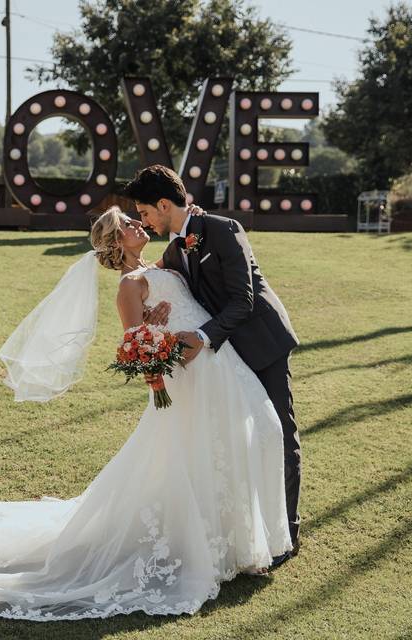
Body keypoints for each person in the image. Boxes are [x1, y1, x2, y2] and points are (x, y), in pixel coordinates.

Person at [0, 206, 292, 621]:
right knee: (190, 456)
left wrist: (165, 319)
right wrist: (157, 337)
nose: (137, 222)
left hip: (216, 370)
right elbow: (133, 345)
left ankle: (233, 544)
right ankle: (203, 549)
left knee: (240, 441)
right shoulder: (129, 285)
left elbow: (189, 296)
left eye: (137, 216)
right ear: (115, 242)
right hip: (185, 379)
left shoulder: (168, 261)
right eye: (127, 223)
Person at [127, 165, 302, 564]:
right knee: (241, 439)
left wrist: (202, 337)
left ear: (165, 203)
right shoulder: (175, 246)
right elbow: (153, 279)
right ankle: (249, 529)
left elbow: (245, 300)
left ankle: (286, 535)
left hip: (262, 343)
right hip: (227, 355)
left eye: (145, 212)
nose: (144, 220)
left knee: (277, 434)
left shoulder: (225, 230)